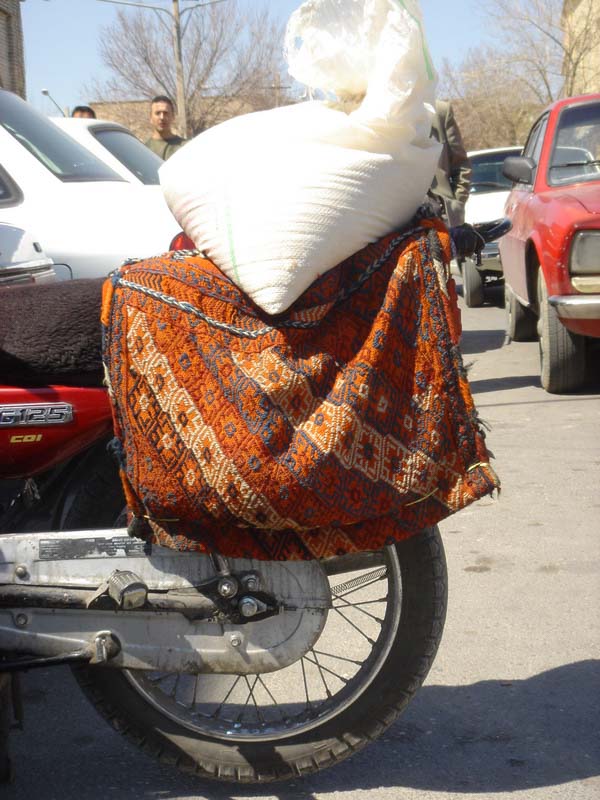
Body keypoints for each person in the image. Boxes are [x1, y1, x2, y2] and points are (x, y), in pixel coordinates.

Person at [430, 99, 472, 227]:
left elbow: (461, 164)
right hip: (396, 221)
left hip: (440, 216)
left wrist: (457, 204)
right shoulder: (375, 112)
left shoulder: (440, 111)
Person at [144, 96, 186, 160]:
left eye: (166, 113)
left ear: (173, 117)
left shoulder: (185, 147)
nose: (162, 117)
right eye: (157, 113)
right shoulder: (144, 149)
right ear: (151, 118)